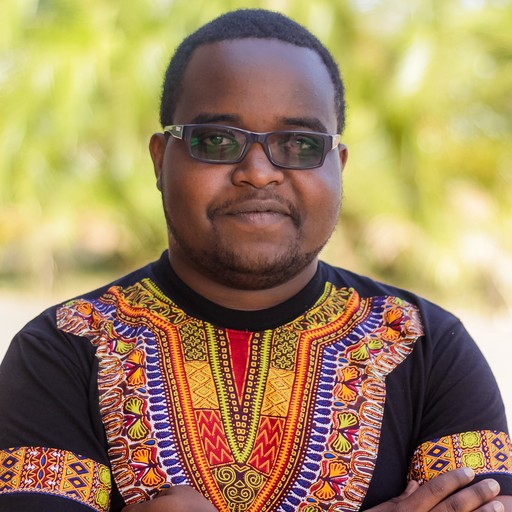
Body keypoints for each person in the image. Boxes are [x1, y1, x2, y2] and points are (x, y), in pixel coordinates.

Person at [0, 8, 510, 512]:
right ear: (160, 159)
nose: (259, 172)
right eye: (217, 141)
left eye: (300, 144)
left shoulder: (424, 345)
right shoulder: (64, 349)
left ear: (339, 166)